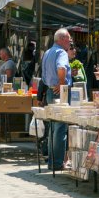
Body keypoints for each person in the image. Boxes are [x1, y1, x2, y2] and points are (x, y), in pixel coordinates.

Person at [41, 29, 72, 170]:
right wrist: (61, 83)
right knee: (60, 128)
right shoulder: (61, 52)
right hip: (59, 92)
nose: (70, 42)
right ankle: (57, 163)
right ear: (60, 39)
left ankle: (51, 162)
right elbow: (61, 68)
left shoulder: (48, 52)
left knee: (53, 127)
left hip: (50, 90)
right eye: (68, 39)